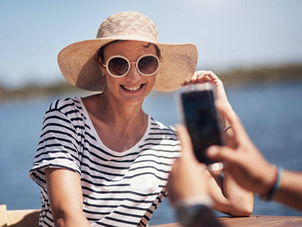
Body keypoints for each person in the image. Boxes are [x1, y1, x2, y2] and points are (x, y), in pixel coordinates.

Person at [29, 11, 252, 227]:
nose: (134, 76)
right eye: (119, 64)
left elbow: (240, 203)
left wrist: (224, 114)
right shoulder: (66, 117)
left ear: (157, 65)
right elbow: (66, 218)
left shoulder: (168, 144)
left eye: (145, 63)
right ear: (102, 64)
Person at [168, 99, 302, 226]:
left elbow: (240, 205)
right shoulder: (172, 146)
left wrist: (226, 119)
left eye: (149, 72)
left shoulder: (169, 144)